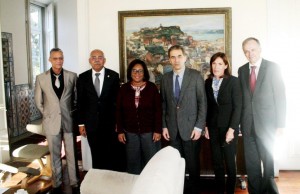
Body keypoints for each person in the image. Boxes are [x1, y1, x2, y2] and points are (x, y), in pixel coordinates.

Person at [238, 37, 286, 194]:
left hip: (268, 125)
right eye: (246, 51)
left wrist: (280, 125)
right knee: (251, 164)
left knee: (268, 162)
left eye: (252, 49)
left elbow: (280, 97)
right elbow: (242, 99)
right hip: (247, 125)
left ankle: (270, 192)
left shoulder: (273, 67)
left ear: (259, 49)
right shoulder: (242, 70)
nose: (249, 53)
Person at [160, 45, 207, 194]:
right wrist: (164, 126)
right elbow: (163, 104)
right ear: (169, 59)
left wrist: (199, 127)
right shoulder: (165, 78)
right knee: (175, 165)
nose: (176, 60)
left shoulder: (195, 76)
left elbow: (202, 103)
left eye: (179, 56)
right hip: (172, 130)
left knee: (192, 166)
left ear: (185, 57)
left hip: (191, 129)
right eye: (173, 57)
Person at [34, 48, 79, 194]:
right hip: (51, 122)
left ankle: (74, 182)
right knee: (55, 155)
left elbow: (76, 98)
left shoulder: (72, 76)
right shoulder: (41, 78)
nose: (58, 61)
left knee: (71, 153)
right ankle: (57, 182)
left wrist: (71, 113)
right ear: (50, 60)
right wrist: (48, 115)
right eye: (55, 58)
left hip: (68, 120)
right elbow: (38, 102)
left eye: (61, 58)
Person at [77, 49, 122, 170]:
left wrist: (118, 123)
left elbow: (117, 103)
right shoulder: (82, 77)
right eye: (94, 57)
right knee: (96, 154)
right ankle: (97, 180)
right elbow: (80, 103)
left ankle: (110, 181)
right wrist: (81, 124)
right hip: (91, 124)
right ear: (89, 60)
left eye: (100, 57)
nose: (97, 60)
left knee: (110, 153)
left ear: (104, 60)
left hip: (110, 124)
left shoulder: (113, 76)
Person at [204, 52, 242, 194]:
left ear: (226, 65)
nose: (216, 66)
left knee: (230, 163)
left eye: (220, 63)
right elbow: (208, 106)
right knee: (217, 162)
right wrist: (206, 126)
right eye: (214, 63)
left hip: (228, 128)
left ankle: (230, 191)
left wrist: (232, 129)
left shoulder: (233, 81)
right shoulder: (208, 82)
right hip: (213, 127)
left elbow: (238, 107)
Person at [116, 59, 162, 174]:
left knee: (151, 161)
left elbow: (158, 111)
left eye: (140, 71)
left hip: (149, 133)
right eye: (134, 71)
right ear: (130, 73)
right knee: (133, 162)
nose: (137, 74)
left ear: (144, 73)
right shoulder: (124, 89)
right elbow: (119, 111)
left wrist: (157, 130)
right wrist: (120, 131)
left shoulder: (152, 88)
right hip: (130, 133)